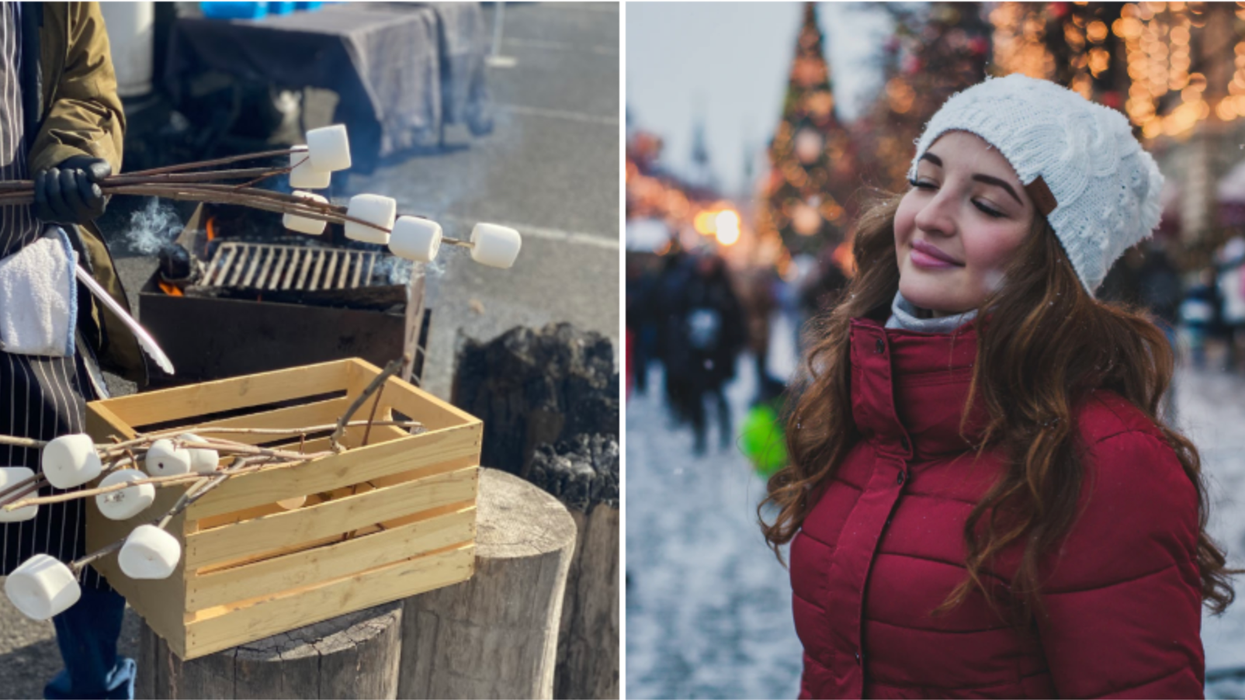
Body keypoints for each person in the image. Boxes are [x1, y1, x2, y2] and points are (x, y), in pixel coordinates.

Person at [760, 74, 1233, 698]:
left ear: (1052, 259)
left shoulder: (1107, 460)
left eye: (986, 204)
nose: (931, 216)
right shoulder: (866, 402)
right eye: (925, 181)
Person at [1, 4, 147, 698]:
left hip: (21, 272)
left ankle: (94, 683)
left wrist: (67, 157)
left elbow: (86, 86)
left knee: (82, 499)